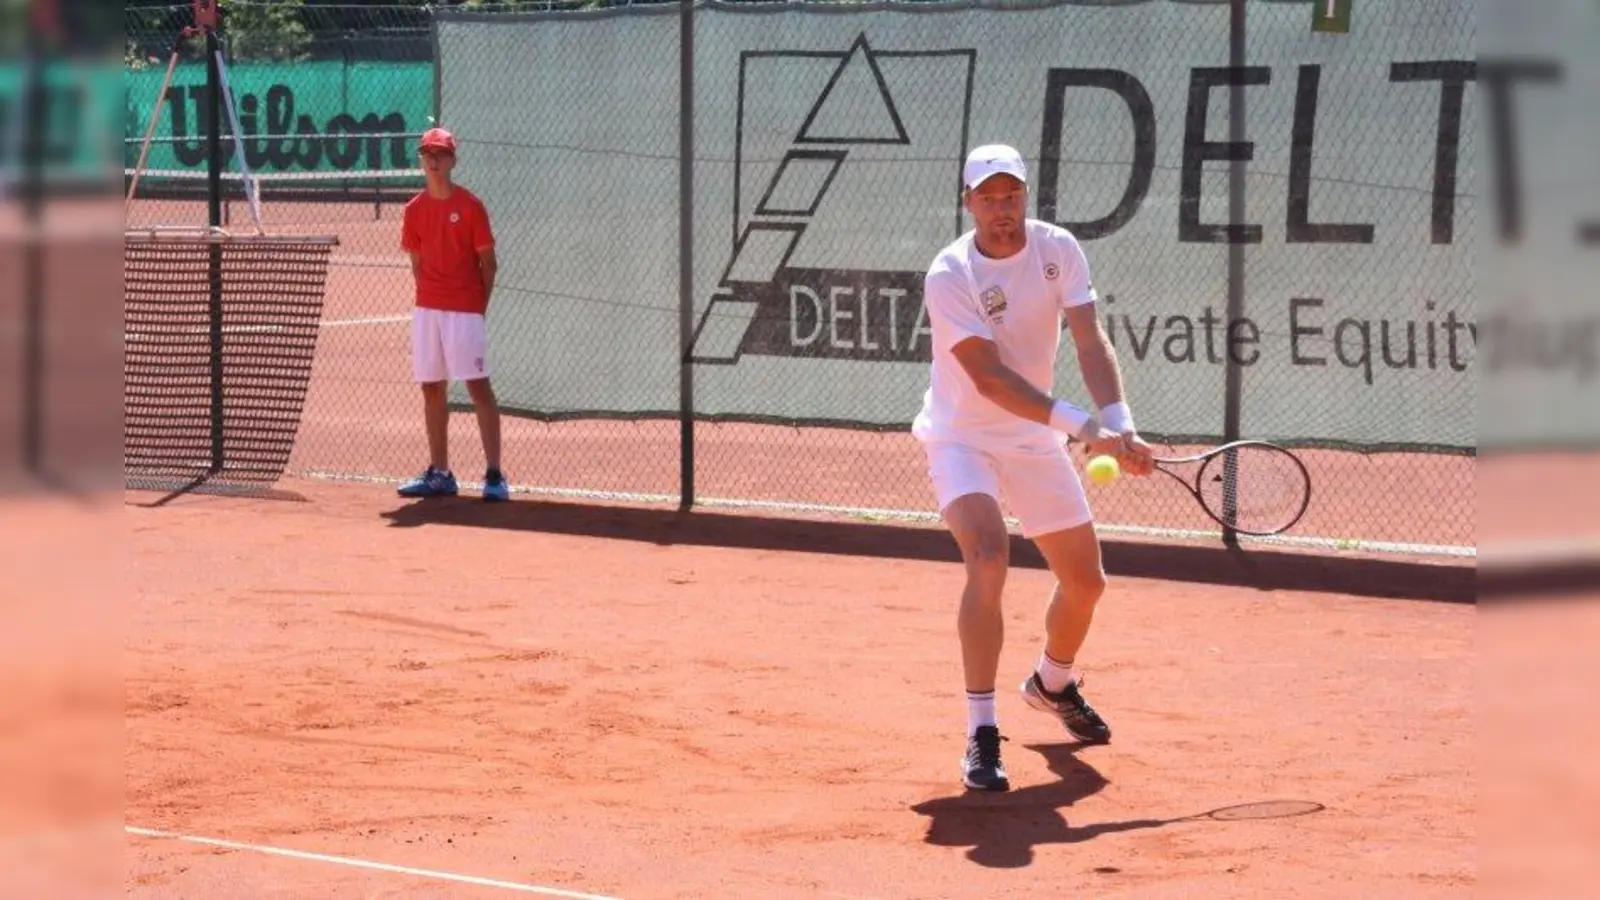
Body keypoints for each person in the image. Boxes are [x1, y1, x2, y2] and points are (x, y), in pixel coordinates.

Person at [912, 143, 1155, 792]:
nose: (1002, 209)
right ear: (967, 203)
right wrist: (1084, 426)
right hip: (962, 435)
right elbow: (989, 379)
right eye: (988, 197)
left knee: (1086, 583)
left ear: (1025, 195)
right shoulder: (950, 273)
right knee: (989, 557)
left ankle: (1052, 683)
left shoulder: (1058, 250)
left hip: (1034, 438)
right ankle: (982, 731)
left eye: (1011, 195)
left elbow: (1087, 338)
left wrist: (1119, 420)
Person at [396, 127, 509, 502]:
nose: (433, 160)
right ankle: (440, 473)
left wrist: (477, 307)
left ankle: (494, 474)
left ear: (452, 161)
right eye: (427, 153)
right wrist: (430, 295)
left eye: (440, 154)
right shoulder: (413, 210)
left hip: (465, 311)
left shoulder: (471, 206)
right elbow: (416, 262)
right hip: (428, 309)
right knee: (431, 387)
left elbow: (488, 264)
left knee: (477, 386)